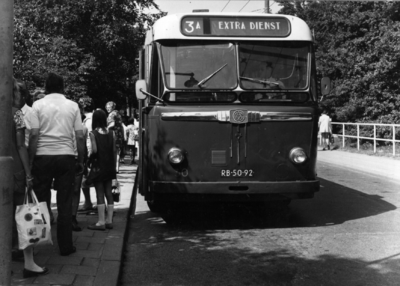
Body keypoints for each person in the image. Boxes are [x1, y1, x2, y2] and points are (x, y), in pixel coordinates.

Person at [29, 72, 85, 256]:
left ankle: (39, 243)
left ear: (46, 87)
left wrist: (32, 159)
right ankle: (66, 246)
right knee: (65, 203)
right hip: (66, 157)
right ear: (62, 87)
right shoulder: (73, 106)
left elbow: (35, 134)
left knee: (41, 202)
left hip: (42, 157)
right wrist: (81, 160)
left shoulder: (37, 105)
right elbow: (79, 135)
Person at [11, 78, 49, 277]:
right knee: (24, 216)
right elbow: (20, 146)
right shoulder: (16, 114)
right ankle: (29, 263)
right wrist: (28, 173)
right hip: (15, 171)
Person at [87, 109, 117, 230]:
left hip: (98, 166)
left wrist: (88, 158)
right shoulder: (111, 133)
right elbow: (114, 150)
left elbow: (94, 150)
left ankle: (101, 222)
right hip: (110, 166)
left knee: (100, 193)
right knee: (109, 193)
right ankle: (109, 221)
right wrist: (114, 166)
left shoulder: (93, 133)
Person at [77, 97, 96, 213]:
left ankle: (88, 202)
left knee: (85, 178)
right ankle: (88, 202)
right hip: (90, 151)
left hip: (89, 151)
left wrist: (87, 155)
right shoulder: (91, 118)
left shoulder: (88, 121)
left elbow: (89, 138)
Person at [105, 101, 124, 173]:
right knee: (117, 151)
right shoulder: (118, 113)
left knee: (114, 151)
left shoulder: (112, 114)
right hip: (119, 134)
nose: (107, 109)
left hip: (114, 135)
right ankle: (117, 168)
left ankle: (114, 168)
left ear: (112, 107)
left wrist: (106, 129)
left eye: (109, 107)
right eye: (107, 107)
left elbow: (112, 124)